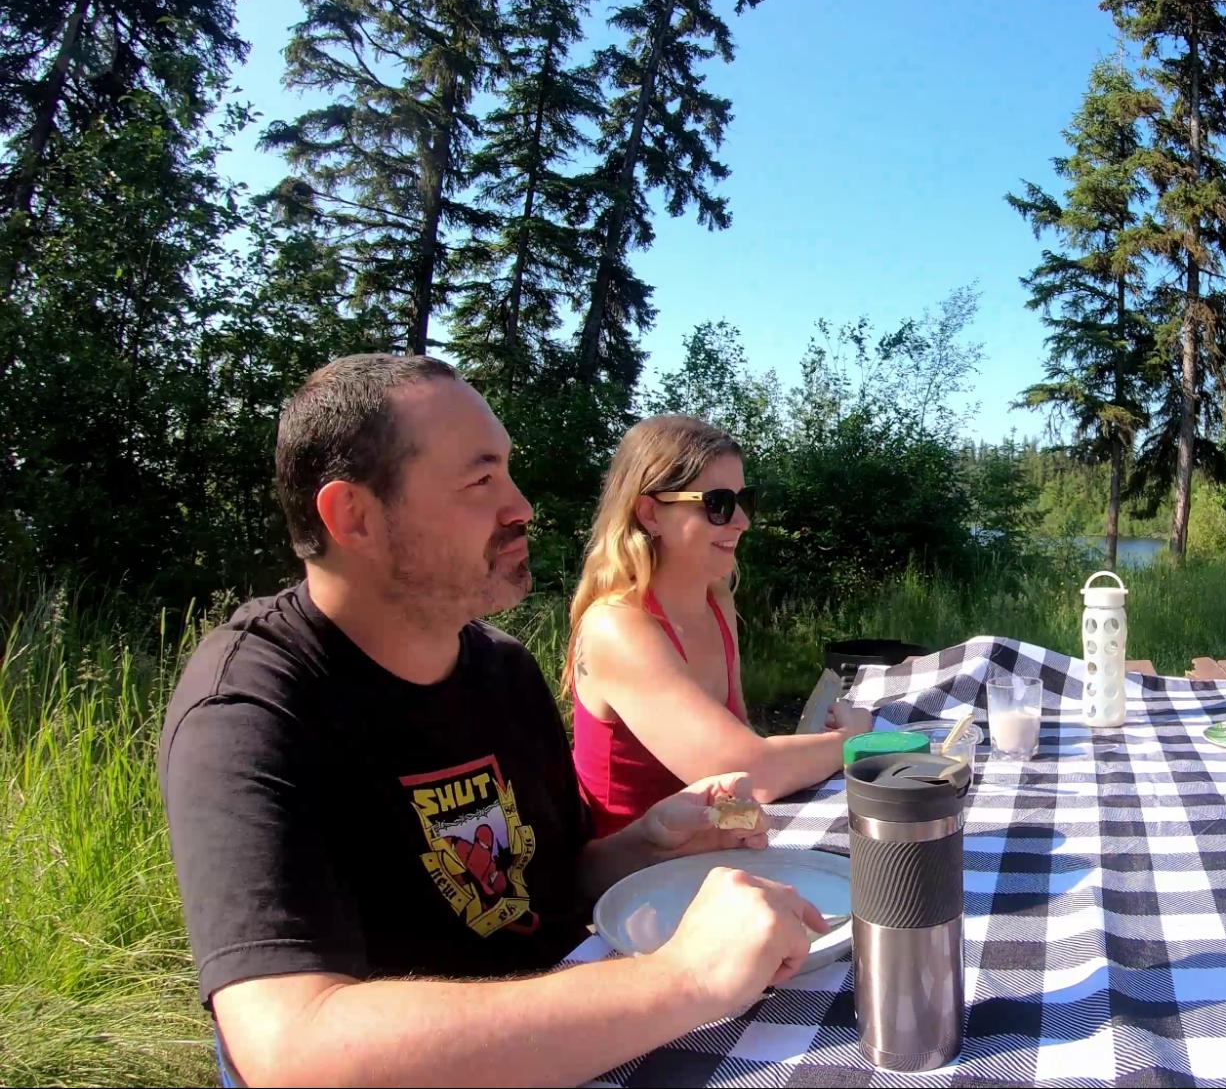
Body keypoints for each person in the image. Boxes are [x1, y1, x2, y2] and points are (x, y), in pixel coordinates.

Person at [160, 355, 831, 1087]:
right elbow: (289, 1050)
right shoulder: (252, 708)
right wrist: (684, 978)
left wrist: (648, 842)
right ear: (354, 516)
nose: (522, 507)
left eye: (509, 473)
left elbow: (552, 887)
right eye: (481, 481)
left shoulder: (502, 670)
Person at [567, 415, 867, 833]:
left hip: (709, 838)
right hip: (639, 866)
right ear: (651, 514)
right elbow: (751, 771)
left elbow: (739, 748)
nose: (742, 521)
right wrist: (851, 741)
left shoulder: (715, 598)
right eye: (718, 504)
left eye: (745, 501)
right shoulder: (617, 627)